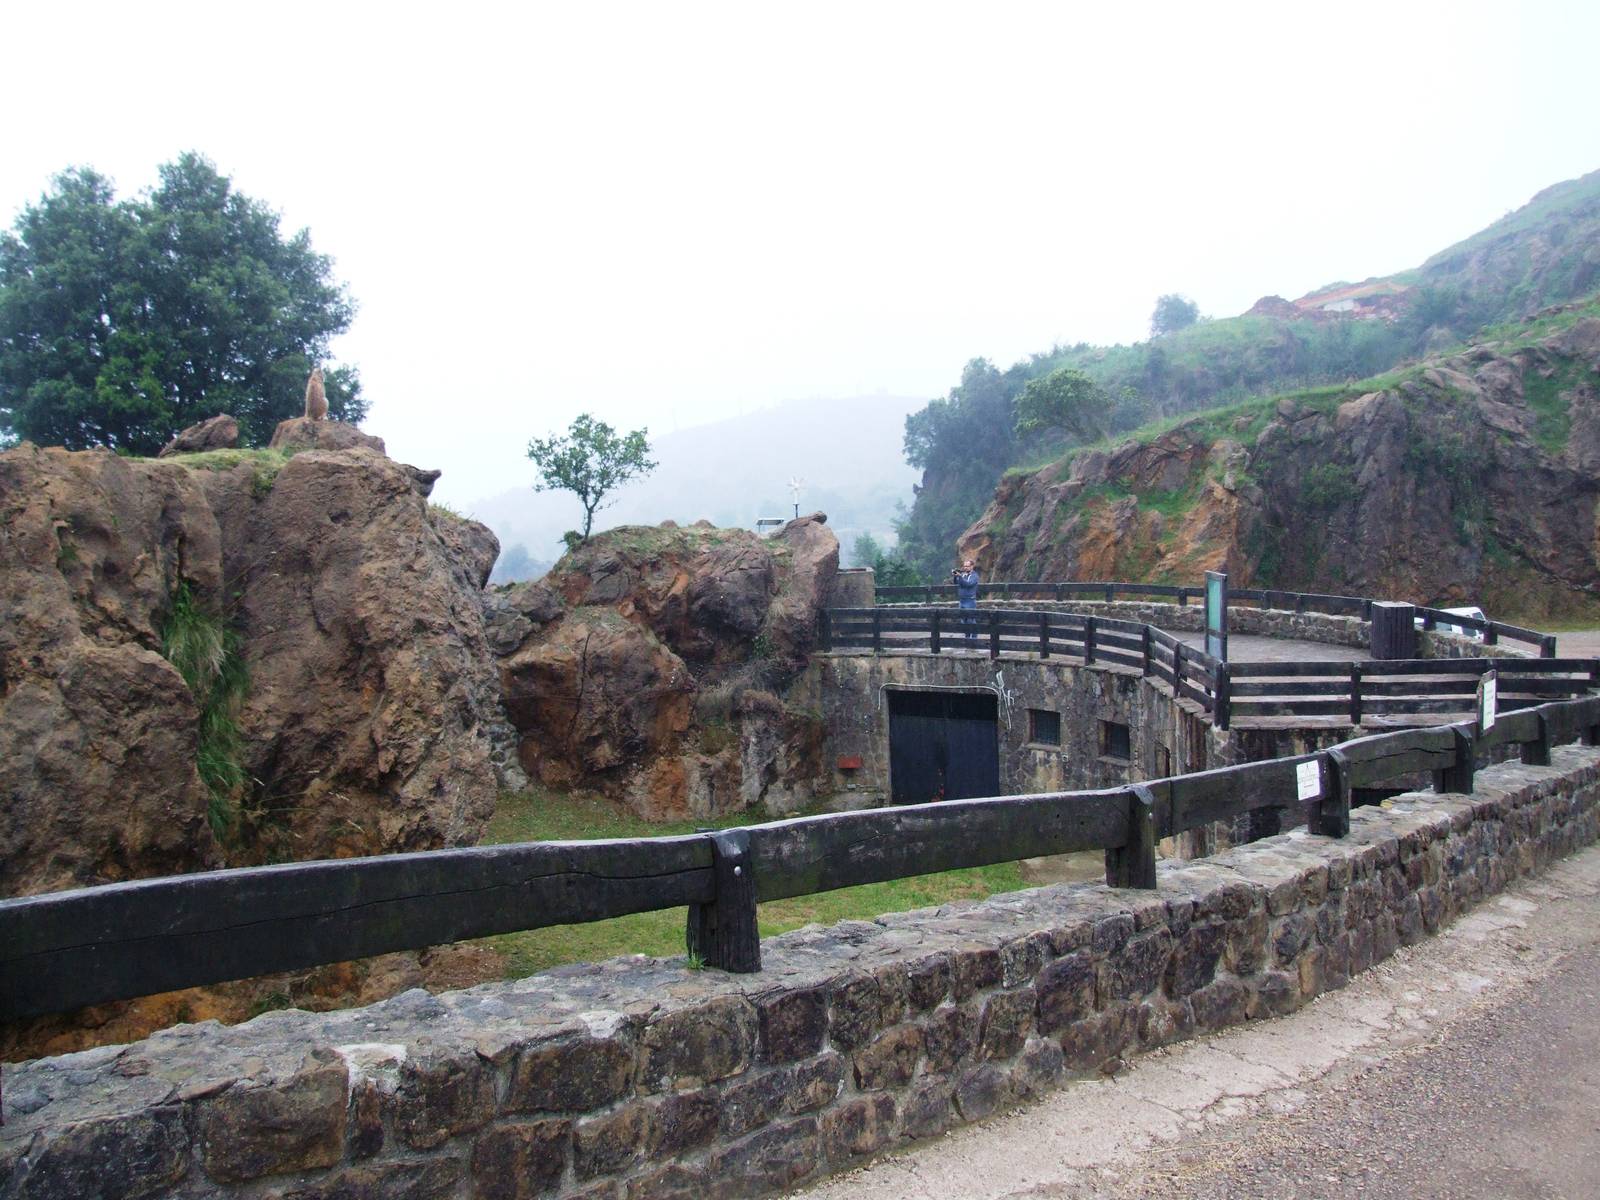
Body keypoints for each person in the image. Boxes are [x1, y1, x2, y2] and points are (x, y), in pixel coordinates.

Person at [953, 558, 980, 645]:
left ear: (972, 566)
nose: (965, 568)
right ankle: (967, 639)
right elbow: (957, 583)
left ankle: (974, 640)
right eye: (964, 566)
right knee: (963, 621)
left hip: (970, 600)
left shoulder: (974, 576)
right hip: (962, 600)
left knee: (971, 620)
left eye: (967, 566)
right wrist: (955, 576)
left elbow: (968, 584)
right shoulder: (963, 575)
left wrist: (960, 576)